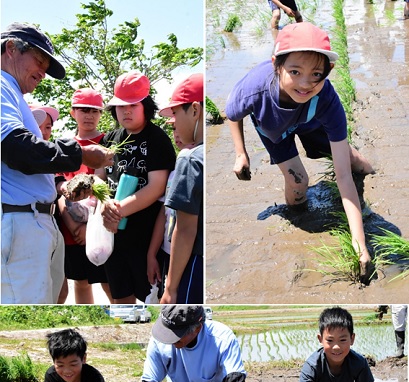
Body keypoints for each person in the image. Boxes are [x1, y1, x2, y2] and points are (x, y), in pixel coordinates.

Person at [225, 22, 374, 282]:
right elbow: (232, 114)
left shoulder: (326, 100)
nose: (305, 84)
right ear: (276, 64)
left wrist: (360, 244)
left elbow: (343, 176)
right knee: (298, 182)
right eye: (295, 71)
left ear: (329, 71)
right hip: (273, 128)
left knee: (354, 164)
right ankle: (299, 214)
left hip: (311, 120)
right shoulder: (254, 90)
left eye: (316, 74)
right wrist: (241, 153)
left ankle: (373, 174)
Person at [1, 22, 114, 304]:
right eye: (39, 61)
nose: (42, 73)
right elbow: (17, 150)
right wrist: (83, 154)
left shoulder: (13, 93)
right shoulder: (2, 85)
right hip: (18, 220)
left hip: (32, 220)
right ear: (11, 49)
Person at [95, 70, 176, 303]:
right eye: (121, 106)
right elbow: (99, 176)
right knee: (120, 295)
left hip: (144, 237)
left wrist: (117, 210)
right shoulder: (109, 139)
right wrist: (105, 203)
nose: (126, 111)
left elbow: (156, 187)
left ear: (146, 106)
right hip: (111, 234)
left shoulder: (157, 140)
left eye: (133, 105)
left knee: (147, 296)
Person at [55, 88, 113, 305]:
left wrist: (90, 229)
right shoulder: (64, 147)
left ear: (101, 114)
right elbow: (59, 189)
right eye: (83, 110)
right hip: (73, 230)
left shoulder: (108, 142)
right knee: (80, 281)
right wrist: (74, 228)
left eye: (94, 111)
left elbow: (107, 189)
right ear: (73, 113)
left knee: (108, 281)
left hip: (100, 227)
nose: (89, 115)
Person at [158, 73, 204, 304]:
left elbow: (185, 230)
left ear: (195, 110)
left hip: (195, 263)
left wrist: (170, 287)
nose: (174, 122)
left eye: (176, 113)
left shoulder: (190, 159)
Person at [146, 127, 194, 300]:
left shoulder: (195, 166)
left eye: (180, 126)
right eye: (173, 129)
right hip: (167, 252)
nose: (177, 133)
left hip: (187, 253)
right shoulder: (173, 172)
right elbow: (163, 214)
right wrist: (152, 254)